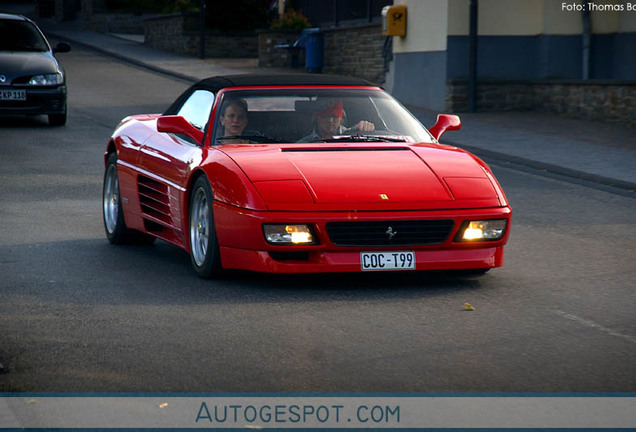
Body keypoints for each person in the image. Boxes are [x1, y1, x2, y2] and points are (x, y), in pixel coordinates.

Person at [297, 99, 375, 142]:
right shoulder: (304, 144)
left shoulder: (352, 136)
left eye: (334, 117)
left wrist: (366, 128)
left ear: (341, 119)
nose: (330, 120)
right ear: (316, 118)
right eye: (325, 116)